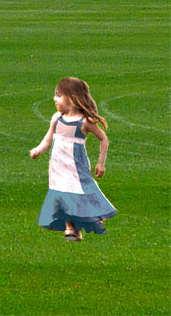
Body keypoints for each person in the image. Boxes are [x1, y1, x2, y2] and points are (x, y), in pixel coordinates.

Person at [29, 77, 116, 241]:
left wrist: (100, 163)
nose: (54, 99)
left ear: (72, 98)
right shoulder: (57, 118)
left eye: (58, 95)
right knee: (61, 193)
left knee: (78, 192)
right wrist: (38, 150)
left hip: (76, 165)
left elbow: (103, 139)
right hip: (57, 164)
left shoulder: (85, 122)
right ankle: (70, 228)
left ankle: (86, 220)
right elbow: (48, 139)